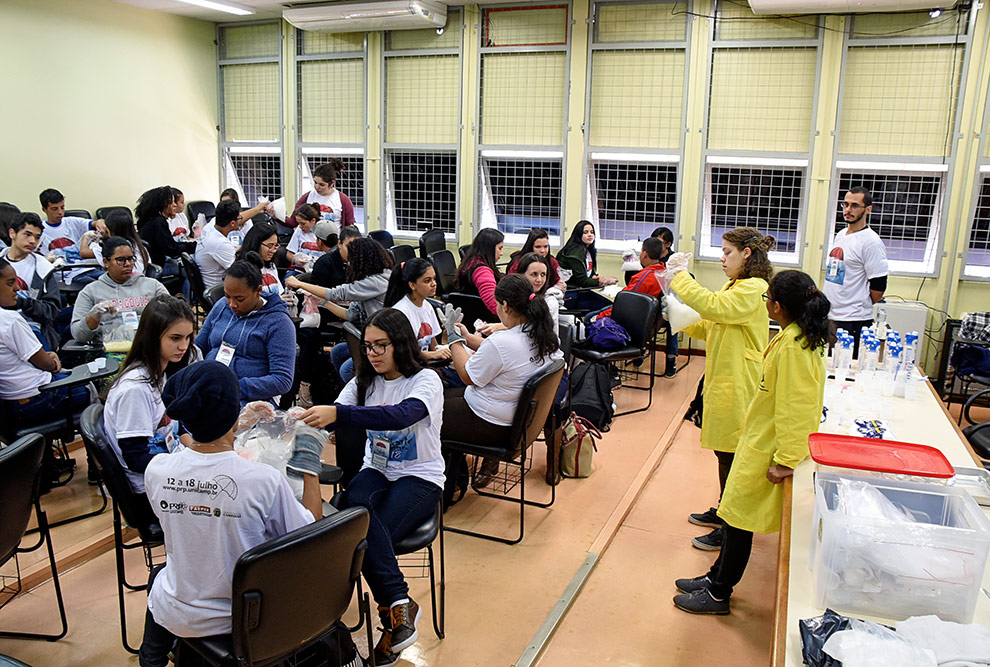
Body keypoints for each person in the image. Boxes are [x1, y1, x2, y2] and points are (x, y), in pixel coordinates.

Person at [139, 361, 323, 667]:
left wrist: (231, 426)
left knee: (161, 572)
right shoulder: (263, 479)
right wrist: (310, 461)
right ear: (229, 411)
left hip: (178, 607)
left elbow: (204, 464)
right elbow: (310, 534)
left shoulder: (157, 470)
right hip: (239, 618)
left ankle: (152, 658)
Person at [672, 270, 829, 615]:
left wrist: (787, 460)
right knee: (733, 513)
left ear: (777, 306)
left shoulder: (793, 346)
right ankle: (715, 577)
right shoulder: (795, 336)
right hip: (759, 439)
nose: (765, 303)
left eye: (768, 298)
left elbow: (797, 408)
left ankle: (718, 594)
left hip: (769, 448)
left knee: (739, 520)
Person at [300, 308, 444, 666]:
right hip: (376, 470)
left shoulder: (425, 380)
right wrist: (297, 423)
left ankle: (390, 616)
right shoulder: (364, 381)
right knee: (352, 520)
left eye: (382, 345)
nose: (374, 354)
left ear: (402, 344)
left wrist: (340, 415)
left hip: (420, 476)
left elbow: (401, 415)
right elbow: (333, 412)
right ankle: (399, 608)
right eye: (367, 347)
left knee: (362, 536)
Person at [667, 227, 774, 551]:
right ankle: (725, 510)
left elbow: (715, 307)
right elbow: (715, 324)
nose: (722, 257)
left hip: (740, 384)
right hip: (728, 381)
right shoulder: (739, 285)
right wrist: (680, 316)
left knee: (732, 456)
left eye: (727, 251)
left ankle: (732, 525)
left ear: (747, 254)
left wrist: (681, 277)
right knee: (724, 453)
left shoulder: (754, 288)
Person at [441, 274, 562, 488]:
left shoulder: (503, 341)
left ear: (505, 306)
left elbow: (468, 376)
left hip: (491, 423)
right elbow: (501, 355)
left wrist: (454, 340)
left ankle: (446, 487)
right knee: (440, 398)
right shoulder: (541, 333)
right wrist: (467, 338)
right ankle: (454, 479)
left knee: (424, 414)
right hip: (520, 422)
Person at [102, 295, 196, 494]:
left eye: (188, 337)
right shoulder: (135, 389)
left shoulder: (161, 373)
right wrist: (191, 466)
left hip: (170, 464)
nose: (184, 346)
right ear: (153, 337)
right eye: (175, 338)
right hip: (151, 487)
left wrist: (197, 452)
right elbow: (137, 459)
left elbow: (178, 428)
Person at [0, 257, 90, 430]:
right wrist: (51, 360)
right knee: (94, 391)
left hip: (10, 404)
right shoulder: (9, 320)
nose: (17, 288)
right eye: (10, 283)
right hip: (36, 398)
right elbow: (47, 365)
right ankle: (97, 455)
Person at [287, 237, 392, 384]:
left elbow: (337, 293)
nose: (349, 263)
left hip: (384, 340)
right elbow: (350, 315)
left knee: (346, 369)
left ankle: (365, 394)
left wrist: (300, 284)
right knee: (337, 352)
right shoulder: (369, 279)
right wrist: (323, 302)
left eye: (351, 260)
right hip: (370, 336)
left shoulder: (377, 281)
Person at [195, 255, 296, 406]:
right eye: (227, 296)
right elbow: (198, 347)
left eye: (239, 299)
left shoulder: (279, 323)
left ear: (258, 291)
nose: (232, 304)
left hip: (252, 399)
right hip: (210, 386)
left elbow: (282, 380)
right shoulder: (222, 306)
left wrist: (234, 387)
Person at [585, 237, 677, 375]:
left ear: (644, 253)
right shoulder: (665, 274)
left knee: (589, 317)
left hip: (631, 321)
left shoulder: (644, 277)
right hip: (649, 322)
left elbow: (623, 305)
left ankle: (606, 370)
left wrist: (599, 317)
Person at [823, 186, 889, 357]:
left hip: (853, 320)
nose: (848, 210)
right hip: (831, 315)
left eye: (854, 206)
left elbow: (879, 286)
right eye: (845, 205)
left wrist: (858, 303)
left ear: (868, 209)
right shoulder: (841, 234)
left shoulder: (871, 242)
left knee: (846, 369)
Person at [70, 237, 169, 344]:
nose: (127, 264)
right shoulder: (90, 292)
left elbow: (172, 317)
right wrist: (94, 316)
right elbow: (78, 335)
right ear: (106, 262)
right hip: (106, 351)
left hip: (148, 347)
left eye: (131, 259)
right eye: (121, 260)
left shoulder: (153, 286)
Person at [2, 213, 61, 349]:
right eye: (27, 235)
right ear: (12, 233)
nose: (33, 241)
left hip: (31, 329)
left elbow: (51, 311)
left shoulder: (43, 269)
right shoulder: (1, 263)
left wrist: (23, 303)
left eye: (37, 237)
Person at [384, 258, 451, 362]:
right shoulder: (400, 312)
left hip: (425, 363)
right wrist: (432, 355)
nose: (434, 284)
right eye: (427, 281)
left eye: (434, 279)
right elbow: (404, 354)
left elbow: (433, 344)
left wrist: (445, 348)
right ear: (412, 285)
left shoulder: (427, 306)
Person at [479, 252, 560, 337]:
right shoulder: (514, 297)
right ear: (521, 275)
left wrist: (501, 326)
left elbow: (534, 327)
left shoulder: (549, 302)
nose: (539, 279)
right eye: (534, 274)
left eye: (543, 275)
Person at [556, 220, 616, 312]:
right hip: (570, 294)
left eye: (592, 232)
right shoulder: (575, 252)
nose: (590, 235)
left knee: (611, 307)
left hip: (580, 291)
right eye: (585, 232)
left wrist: (595, 278)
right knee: (611, 308)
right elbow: (582, 281)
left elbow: (587, 275)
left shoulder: (588, 251)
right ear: (579, 234)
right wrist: (603, 281)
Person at [278, 159, 356, 229]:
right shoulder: (307, 197)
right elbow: (292, 222)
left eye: (321, 185)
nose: (317, 187)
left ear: (332, 183)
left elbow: (349, 227)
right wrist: (276, 216)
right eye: (315, 182)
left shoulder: (342, 199)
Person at [137, 185, 196, 269]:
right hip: (157, 266)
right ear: (163, 204)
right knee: (187, 269)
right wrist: (195, 246)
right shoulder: (158, 222)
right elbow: (172, 249)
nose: (175, 205)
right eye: (172, 202)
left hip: (150, 264)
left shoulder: (148, 219)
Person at [37, 187, 107, 255]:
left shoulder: (72, 222)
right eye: (54, 209)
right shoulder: (39, 229)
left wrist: (100, 223)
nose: (60, 212)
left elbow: (97, 222)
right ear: (44, 210)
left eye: (62, 207)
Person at [83, 208, 150, 278]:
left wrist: (85, 237)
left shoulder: (112, 247)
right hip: (140, 279)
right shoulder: (138, 244)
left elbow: (84, 253)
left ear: (110, 229)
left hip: (126, 281)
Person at [195, 200, 244, 290]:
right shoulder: (220, 243)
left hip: (209, 278)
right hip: (217, 289)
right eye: (239, 218)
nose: (241, 220)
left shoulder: (210, 226)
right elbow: (238, 271)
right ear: (232, 223)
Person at [454, 228, 504, 316]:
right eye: (500, 248)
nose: (501, 253)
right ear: (490, 249)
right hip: (485, 318)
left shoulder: (472, 261)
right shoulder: (482, 272)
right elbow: (493, 303)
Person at [236, 222, 282, 296]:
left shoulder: (271, 265)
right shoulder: (243, 269)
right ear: (256, 243)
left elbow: (280, 292)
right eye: (270, 246)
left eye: (275, 245)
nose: (274, 250)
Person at [310, 223, 360, 289]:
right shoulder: (324, 263)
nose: (353, 250)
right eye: (348, 247)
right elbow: (315, 292)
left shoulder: (363, 262)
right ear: (339, 243)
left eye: (357, 246)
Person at [285, 204, 323, 271]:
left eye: (303, 224)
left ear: (313, 221)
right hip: (299, 270)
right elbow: (289, 253)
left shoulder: (323, 231)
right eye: (298, 223)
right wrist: (296, 260)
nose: (300, 226)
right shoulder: (299, 231)